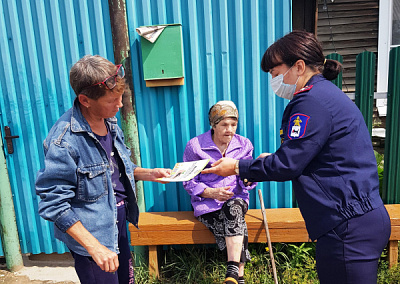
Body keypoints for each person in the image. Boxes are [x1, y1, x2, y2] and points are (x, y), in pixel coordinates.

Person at [202, 31, 391, 284]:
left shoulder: (311, 102)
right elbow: (314, 154)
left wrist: (236, 166)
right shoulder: (325, 96)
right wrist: (273, 158)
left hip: (347, 225)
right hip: (354, 218)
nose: (273, 79)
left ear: (298, 66)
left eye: (275, 72)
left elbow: (288, 164)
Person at [35, 55, 171, 284]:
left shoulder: (109, 121)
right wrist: (95, 248)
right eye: (113, 100)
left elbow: (113, 168)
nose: (119, 105)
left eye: (120, 98)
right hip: (93, 238)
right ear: (85, 100)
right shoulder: (64, 141)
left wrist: (149, 174)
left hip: (116, 225)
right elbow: (54, 204)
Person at [183, 101, 257, 284]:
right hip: (207, 204)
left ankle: (231, 271)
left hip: (236, 199)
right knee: (236, 222)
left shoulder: (244, 145)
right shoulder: (195, 146)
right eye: (224, 124)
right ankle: (239, 277)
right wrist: (210, 192)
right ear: (213, 124)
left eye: (233, 124)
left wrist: (249, 178)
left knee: (233, 209)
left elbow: (248, 180)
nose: (229, 130)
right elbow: (187, 180)